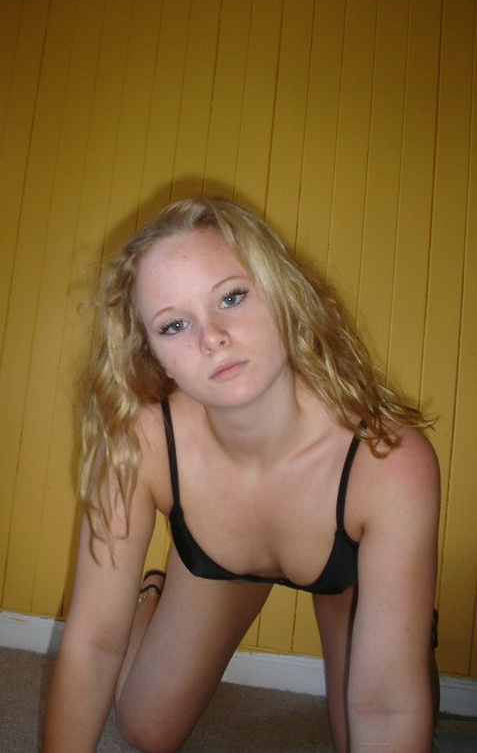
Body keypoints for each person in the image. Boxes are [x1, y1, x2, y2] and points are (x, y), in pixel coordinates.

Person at [43, 196, 440, 753]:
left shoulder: (388, 461)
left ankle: (408, 623)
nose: (211, 337)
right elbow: (93, 642)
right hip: (224, 561)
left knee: (373, 717)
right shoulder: (140, 442)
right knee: (146, 731)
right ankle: (155, 595)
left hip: (347, 575)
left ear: (282, 291)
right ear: (151, 353)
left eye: (231, 297)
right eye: (174, 325)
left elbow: (387, 707)